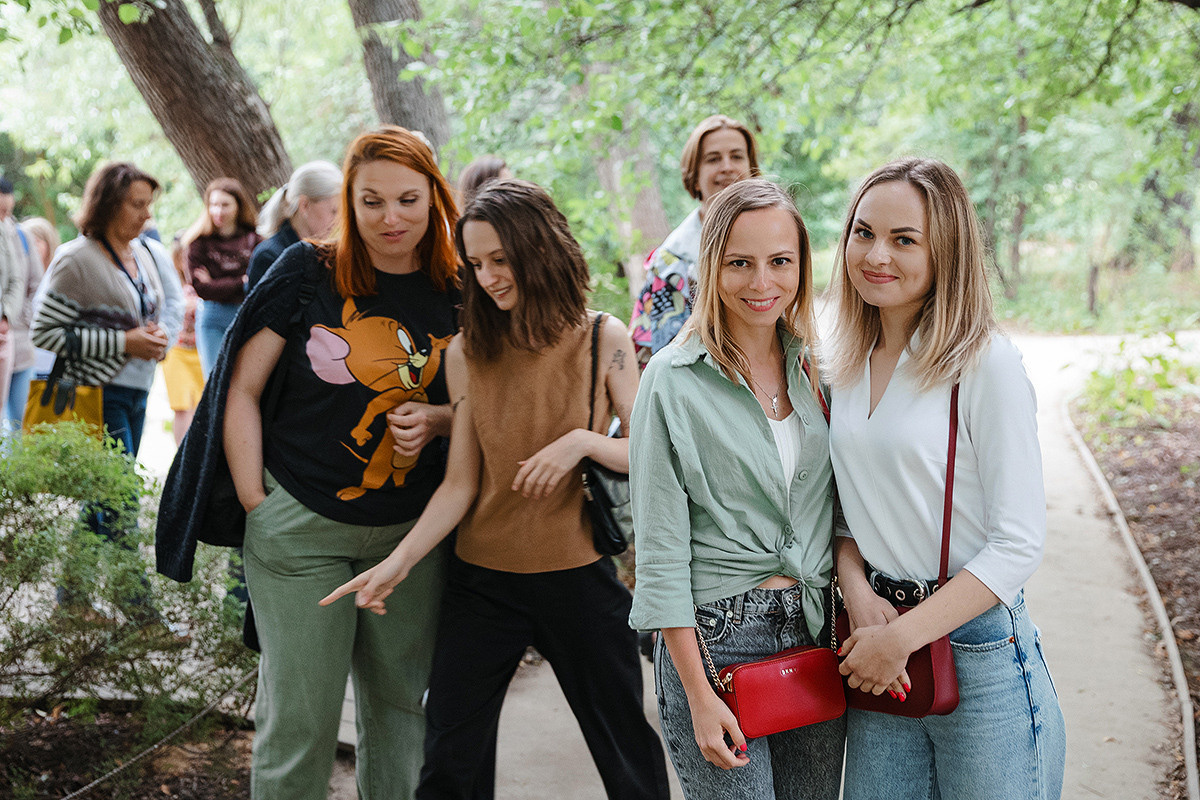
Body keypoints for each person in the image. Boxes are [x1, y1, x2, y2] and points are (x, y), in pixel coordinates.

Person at [322, 179, 672, 800]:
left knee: (627, 755)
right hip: (482, 583)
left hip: (579, 578)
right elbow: (460, 484)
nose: (487, 277)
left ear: (539, 249)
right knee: (450, 762)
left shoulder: (602, 338)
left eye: (501, 260)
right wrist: (395, 564)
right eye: (477, 264)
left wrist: (582, 443)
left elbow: (647, 457)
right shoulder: (465, 352)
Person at [210, 126, 460, 800]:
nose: (391, 218)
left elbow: (491, 412)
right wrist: (258, 504)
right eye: (371, 200)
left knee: (402, 713)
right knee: (300, 722)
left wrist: (436, 420)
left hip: (413, 540)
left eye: (408, 199)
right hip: (299, 532)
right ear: (347, 200)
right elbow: (241, 386)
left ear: (435, 196)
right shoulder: (307, 269)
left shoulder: (463, 284)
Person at [826, 157, 1065, 799]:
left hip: (976, 651)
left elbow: (1019, 543)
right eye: (864, 232)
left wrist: (901, 636)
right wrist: (857, 594)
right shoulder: (842, 362)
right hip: (877, 649)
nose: (877, 255)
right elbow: (850, 513)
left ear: (946, 254)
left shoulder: (986, 363)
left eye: (905, 240)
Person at [627, 179, 844, 799]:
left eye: (780, 262)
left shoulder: (814, 367)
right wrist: (695, 695)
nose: (761, 282)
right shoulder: (671, 381)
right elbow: (661, 555)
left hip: (813, 625)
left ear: (802, 264)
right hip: (717, 642)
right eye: (739, 263)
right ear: (711, 264)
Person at [31, 162, 183, 609]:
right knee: (120, 500)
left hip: (137, 390)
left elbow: (165, 308)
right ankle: (139, 610)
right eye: (137, 205)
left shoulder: (148, 253)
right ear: (109, 204)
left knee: (103, 497)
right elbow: (45, 332)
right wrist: (123, 341)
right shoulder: (77, 258)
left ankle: (71, 602)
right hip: (95, 395)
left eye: (148, 205)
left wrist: (158, 340)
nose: (146, 216)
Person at [629, 114, 759, 368]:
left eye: (736, 156)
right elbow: (665, 357)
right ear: (694, 174)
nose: (727, 167)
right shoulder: (671, 262)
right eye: (713, 159)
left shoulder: (776, 237)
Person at [184, 177, 262, 376]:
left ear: (238, 205)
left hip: (248, 316)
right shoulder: (198, 243)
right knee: (215, 381)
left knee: (247, 380)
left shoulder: (254, 240)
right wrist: (241, 282)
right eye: (213, 205)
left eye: (225, 205)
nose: (218, 211)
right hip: (213, 319)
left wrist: (217, 283)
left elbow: (258, 283)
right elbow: (202, 289)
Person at [246, 160, 342, 289]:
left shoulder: (329, 251)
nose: (339, 221)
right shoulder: (270, 256)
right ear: (305, 205)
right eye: (334, 211)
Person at [160, 235, 204, 445]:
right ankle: (181, 457)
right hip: (177, 352)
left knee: (198, 407)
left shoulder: (204, 279)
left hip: (200, 352)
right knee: (182, 406)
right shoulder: (170, 283)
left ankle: (194, 458)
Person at [0, 177, 29, 428]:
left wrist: (6, 317)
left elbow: (18, 278)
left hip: (6, 333)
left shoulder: (9, 230)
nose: (5, 217)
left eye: (8, 212)